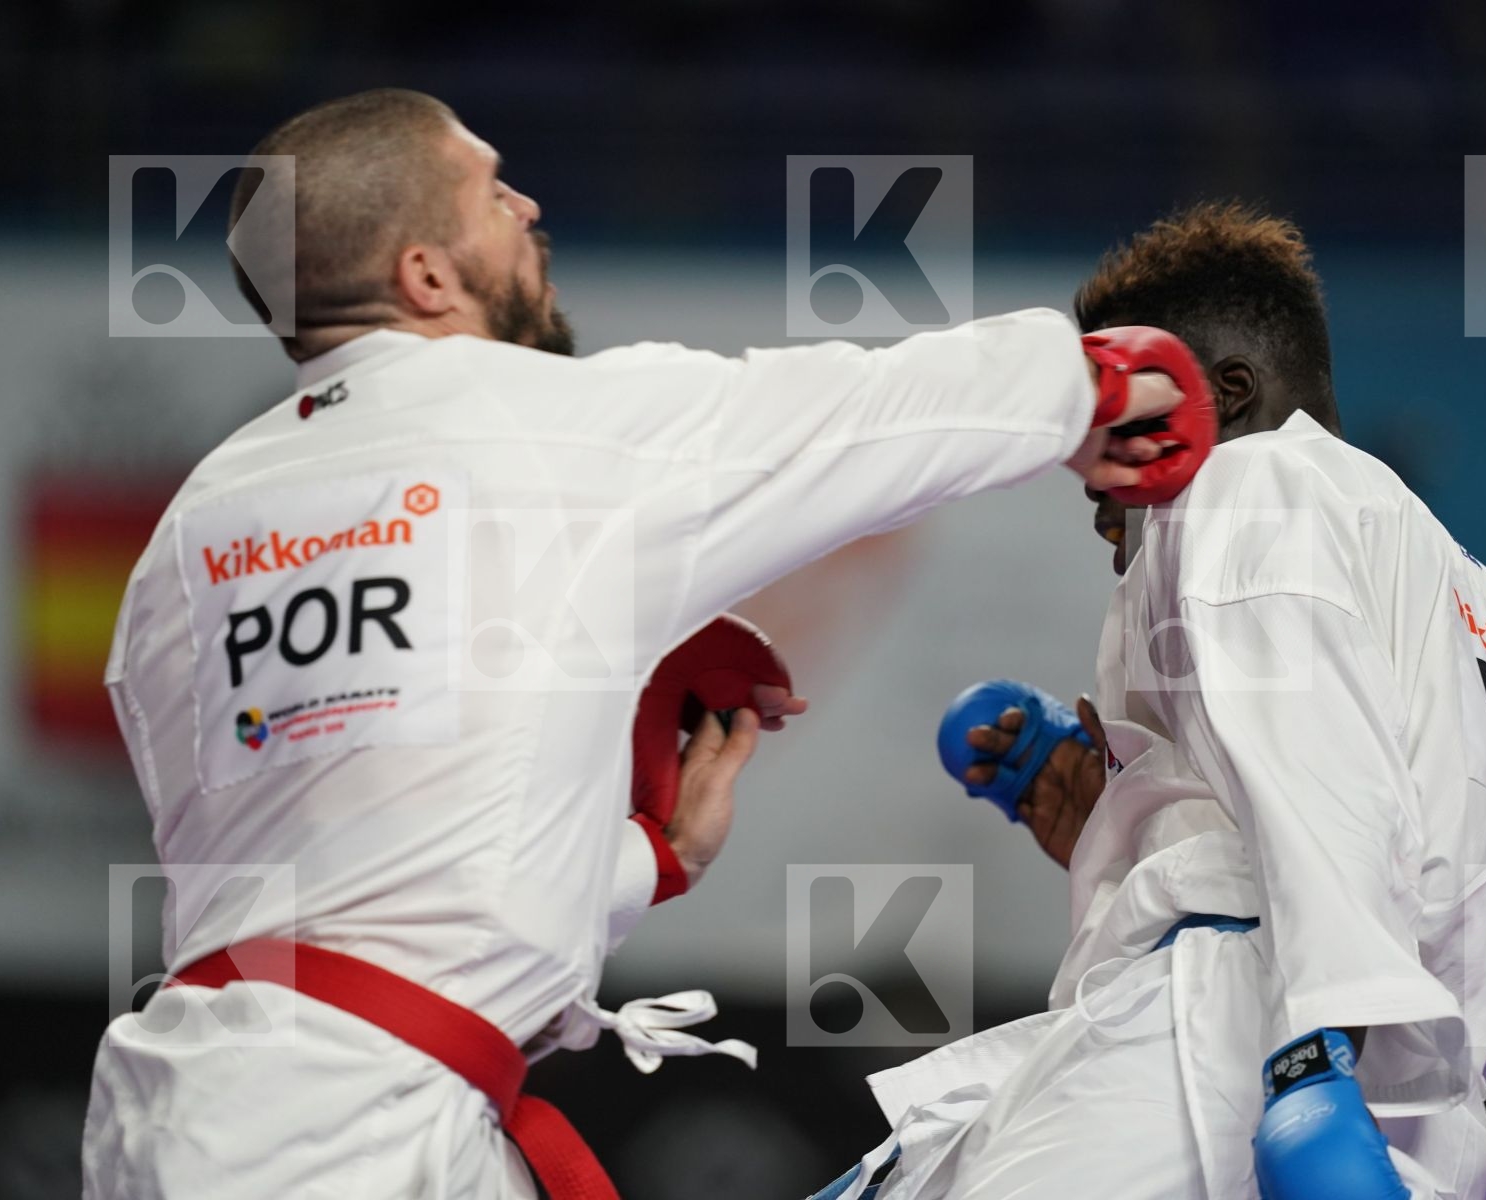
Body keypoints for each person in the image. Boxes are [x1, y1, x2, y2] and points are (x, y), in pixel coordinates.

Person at [81, 89, 1192, 1199]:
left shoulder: (188, 533)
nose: (528, 206)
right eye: (491, 190)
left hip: (201, 1108)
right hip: (344, 1140)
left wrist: (642, 859)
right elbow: (857, 412)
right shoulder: (545, 426)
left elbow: (352, 875)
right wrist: (1087, 384)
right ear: (425, 276)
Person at [839, 202, 1486, 1200]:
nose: (1100, 489)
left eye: (1115, 439)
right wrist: (1146, 822)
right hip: (1418, 1133)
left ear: (1226, 397)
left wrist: (1308, 1057)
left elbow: (1325, 787)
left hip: (1230, 1057)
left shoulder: (1253, 479)